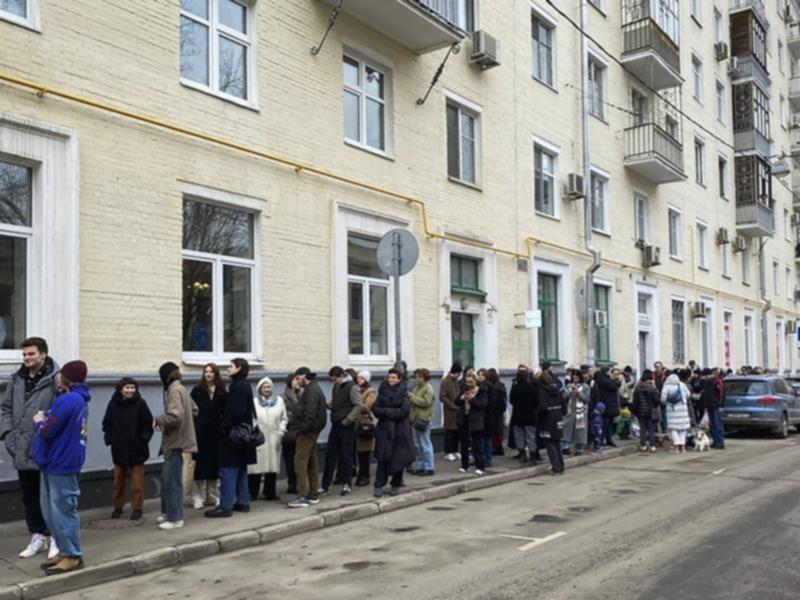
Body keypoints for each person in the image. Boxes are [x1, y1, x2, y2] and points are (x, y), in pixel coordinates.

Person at [0, 337, 61, 560]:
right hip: (20, 448)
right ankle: (38, 536)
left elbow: (61, 412)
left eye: (31, 354)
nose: (26, 358)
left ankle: (55, 537)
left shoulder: (55, 379)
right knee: (29, 495)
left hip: (45, 448)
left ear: (42, 355)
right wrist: (7, 434)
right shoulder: (17, 379)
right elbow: (6, 408)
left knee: (50, 495)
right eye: (24, 354)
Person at [32, 360, 90, 575]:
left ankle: (73, 555)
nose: (57, 377)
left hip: (61, 463)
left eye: (61, 374)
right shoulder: (75, 399)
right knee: (51, 510)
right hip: (55, 462)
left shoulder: (68, 400)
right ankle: (65, 551)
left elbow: (47, 429)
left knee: (63, 510)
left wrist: (38, 420)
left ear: (66, 378)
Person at [206, 358, 257, 518]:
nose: (227, 368)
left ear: (239, 368)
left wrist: (225, 428)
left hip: (234, 436)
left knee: (228, 469)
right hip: (243, 435)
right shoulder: (245, 384)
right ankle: (242, 502)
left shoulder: (237, 387)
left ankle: (225, 506)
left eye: (230, 366)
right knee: (241, 469)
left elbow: (236, 412)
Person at [102, 377, 153, 520]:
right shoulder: (113, 404)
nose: (130, 390)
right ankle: (118, 506)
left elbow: (148, 424)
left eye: (132, 387)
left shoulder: (141, 404)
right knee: (118, 481)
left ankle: (137, 508)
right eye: (127, 387)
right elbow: (107, 423)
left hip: (137, 450)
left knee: (137, 483)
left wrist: (143, 439)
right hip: (119, 449)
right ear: (120, 389)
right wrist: (110, 438)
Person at [154, 362, 198, 530]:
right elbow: (194, 410)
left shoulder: (173, 390)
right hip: (179, 440)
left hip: (174, 442)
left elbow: (175, 416)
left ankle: (175, 518)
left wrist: (158, 420)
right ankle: (168, 513)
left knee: (172, 481)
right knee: (168, 479)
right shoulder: (181, 388)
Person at [287, 367, 327, 508]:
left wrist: (301, 430)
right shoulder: (314, 388)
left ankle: (303, 496)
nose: (297, 382)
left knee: (300, 462)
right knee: (311, 462)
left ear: (304, 376)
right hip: (310, 431)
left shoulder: (312, 390)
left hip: (307, 432)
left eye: (298, 378)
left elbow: (310, 414)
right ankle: (313, 493)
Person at [320, 366, 362, 496]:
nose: (333, 382)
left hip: (346, 426)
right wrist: (330, 406)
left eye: (334, 379)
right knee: (330, 455)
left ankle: (346, 484)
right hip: (336, 424)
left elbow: (358, 405)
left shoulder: (352, 387)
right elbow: (338, 403)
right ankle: (325, 485)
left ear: (341, 376)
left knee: (346, 456)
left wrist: (349, 419)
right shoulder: (336, 387)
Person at [372, 368, 415, 497]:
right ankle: (378, 485)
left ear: (399, 379)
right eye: (389, 377)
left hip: (400, 430)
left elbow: (404, 411)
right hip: (384, 430)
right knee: (382, 458)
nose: (391, 380)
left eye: (394, 378)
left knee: (398, 458)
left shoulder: (404, 392)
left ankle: (395, 485)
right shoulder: (382, 390)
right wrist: (388, 412)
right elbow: (375, 408)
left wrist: (386, 412)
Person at [189, 363, 225, 510]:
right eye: (206, 372)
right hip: (200, 434)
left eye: (211, 372)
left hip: (216, 434)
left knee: (214, 467)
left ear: (216, 374)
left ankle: (213, 496)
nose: (208, 374)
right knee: (200, 467)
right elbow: (191, 411)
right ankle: (198, 497)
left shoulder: (221, 391)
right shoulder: (197, 390)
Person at [248, 377, 288, 501]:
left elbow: (284, 418)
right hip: (259, 437)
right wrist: (255, 430)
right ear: (259, 389)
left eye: (269, 387)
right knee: (256, 466)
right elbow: (251, 418)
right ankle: (252, 493)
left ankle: (270, 492)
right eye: (264, 387)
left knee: (272, 466)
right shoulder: (254, 402)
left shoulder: (279, 401)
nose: (267, 389)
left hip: (274, 437)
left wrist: (280, 431)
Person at [456, 371, 488, 475]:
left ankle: (480, 466)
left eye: (471, 382)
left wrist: (471, 399)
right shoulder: (464, 390)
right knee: (464, 443)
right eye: (467, 382)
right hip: (464, 418)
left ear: (475, 381)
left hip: (476, 420)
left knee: (477, 444)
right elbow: (456, 401)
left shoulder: (481, 391)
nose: (468, 384)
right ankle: (464, 465)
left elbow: (482, 405)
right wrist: (461, 399)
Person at [537, 363, 566, 473]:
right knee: (557, 442)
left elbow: (542, 408)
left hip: (547, 419)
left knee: (550, 444)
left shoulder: (542, 392)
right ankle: (561, 465)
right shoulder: (556, 390)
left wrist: (538, 415)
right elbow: (563, 404)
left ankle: (556, 466)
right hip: (557, 417)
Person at [509, 365, 540, 463]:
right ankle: (532, 455)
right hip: (529, 415)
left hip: (517, 414)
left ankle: (522, 454)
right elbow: (536, 400)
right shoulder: (531, 387)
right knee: (530, 435)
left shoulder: (515, 386)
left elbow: (511, 399)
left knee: (519, 435)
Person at [408, 368, 435, 476]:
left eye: (420, 377)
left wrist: (411, 397)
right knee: (417, 444)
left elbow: (426, 402)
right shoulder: (415, 388)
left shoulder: (428, 388)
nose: (417, 379)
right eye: (416, 377)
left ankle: (429, 467)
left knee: (425, 444)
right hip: (415, 419)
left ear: (425, 378)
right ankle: (420, 466)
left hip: (424, 419)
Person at [281, 374, 302, 495]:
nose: (298, 382)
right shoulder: (283, 397)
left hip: (300, 432)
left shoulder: (301, 395)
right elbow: (283, 414)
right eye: (296, 380)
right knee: (289, 459)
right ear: (290, 382)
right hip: (289, 433)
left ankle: (299, 483)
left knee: (299, 459)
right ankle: (292, 483)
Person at [662, 370, 691, 453]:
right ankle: (683, 446)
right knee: (682, 428)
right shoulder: (682, 385)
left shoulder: (667, 386)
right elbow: (688, 394)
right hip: (683, 409)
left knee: (673, 429)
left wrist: (667, 401)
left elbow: (663, 399)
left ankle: (676, 446)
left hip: (672, 410)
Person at [483, 368, 507, 467]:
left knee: (492, 431)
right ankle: (498, 447)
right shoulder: (501, 385)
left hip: (492, 412)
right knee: (497, 430)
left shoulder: (489, 386)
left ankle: (496, 448)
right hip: (498, 412)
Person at [439, 363, 462, 461]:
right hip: (450, 410)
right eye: (459, 373)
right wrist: (452, 406)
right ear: (455, 372)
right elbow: (442, 397)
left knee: (457, 431)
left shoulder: (456, 381)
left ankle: (455, 450)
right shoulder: (445, 381)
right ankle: (448, 452)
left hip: (458, 409)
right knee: (449, 431)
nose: (460, 375)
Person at [593, 367, 621, 447]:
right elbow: (614, 387)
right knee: (605, 424)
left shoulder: (605, 379)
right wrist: (614, 380)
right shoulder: (603, 380)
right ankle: (602, 440)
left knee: (608, 424)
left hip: (609, 404)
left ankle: (608, 439)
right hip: (606, 404)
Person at [563, 370, 589, 455]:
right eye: (573, 377)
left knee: (580, 430)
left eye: (577, 376)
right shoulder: (568, 386)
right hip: (570, 410)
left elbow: (586, 399)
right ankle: (565, 446)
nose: (575, 378)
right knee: (566, 428)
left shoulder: (585, 387)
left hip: (580, 412)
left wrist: (578, 393)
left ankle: (579, 449)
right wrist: (569, 393)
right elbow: (563, 398)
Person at [632, 369, 658, 453]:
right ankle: (652, 446)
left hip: (640, 411)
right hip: (651, 411)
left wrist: (635, 411)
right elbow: (656, 401)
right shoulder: (652, 388)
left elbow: (635, 401)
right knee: (651, 429)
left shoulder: (637, 388)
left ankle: (643, 446)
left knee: (642, 429)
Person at [702, 367, 725, 450]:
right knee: (712, 425)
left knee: (717, 424)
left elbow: (721, 394)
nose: (705, 377)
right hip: (709, 405)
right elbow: (706, 395)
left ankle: (720, 442)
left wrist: (720, 405)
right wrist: (705, 406)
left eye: (706, 376)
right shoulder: (707, 382)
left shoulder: (717, 381)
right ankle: (715, 442)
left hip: (716, 406)